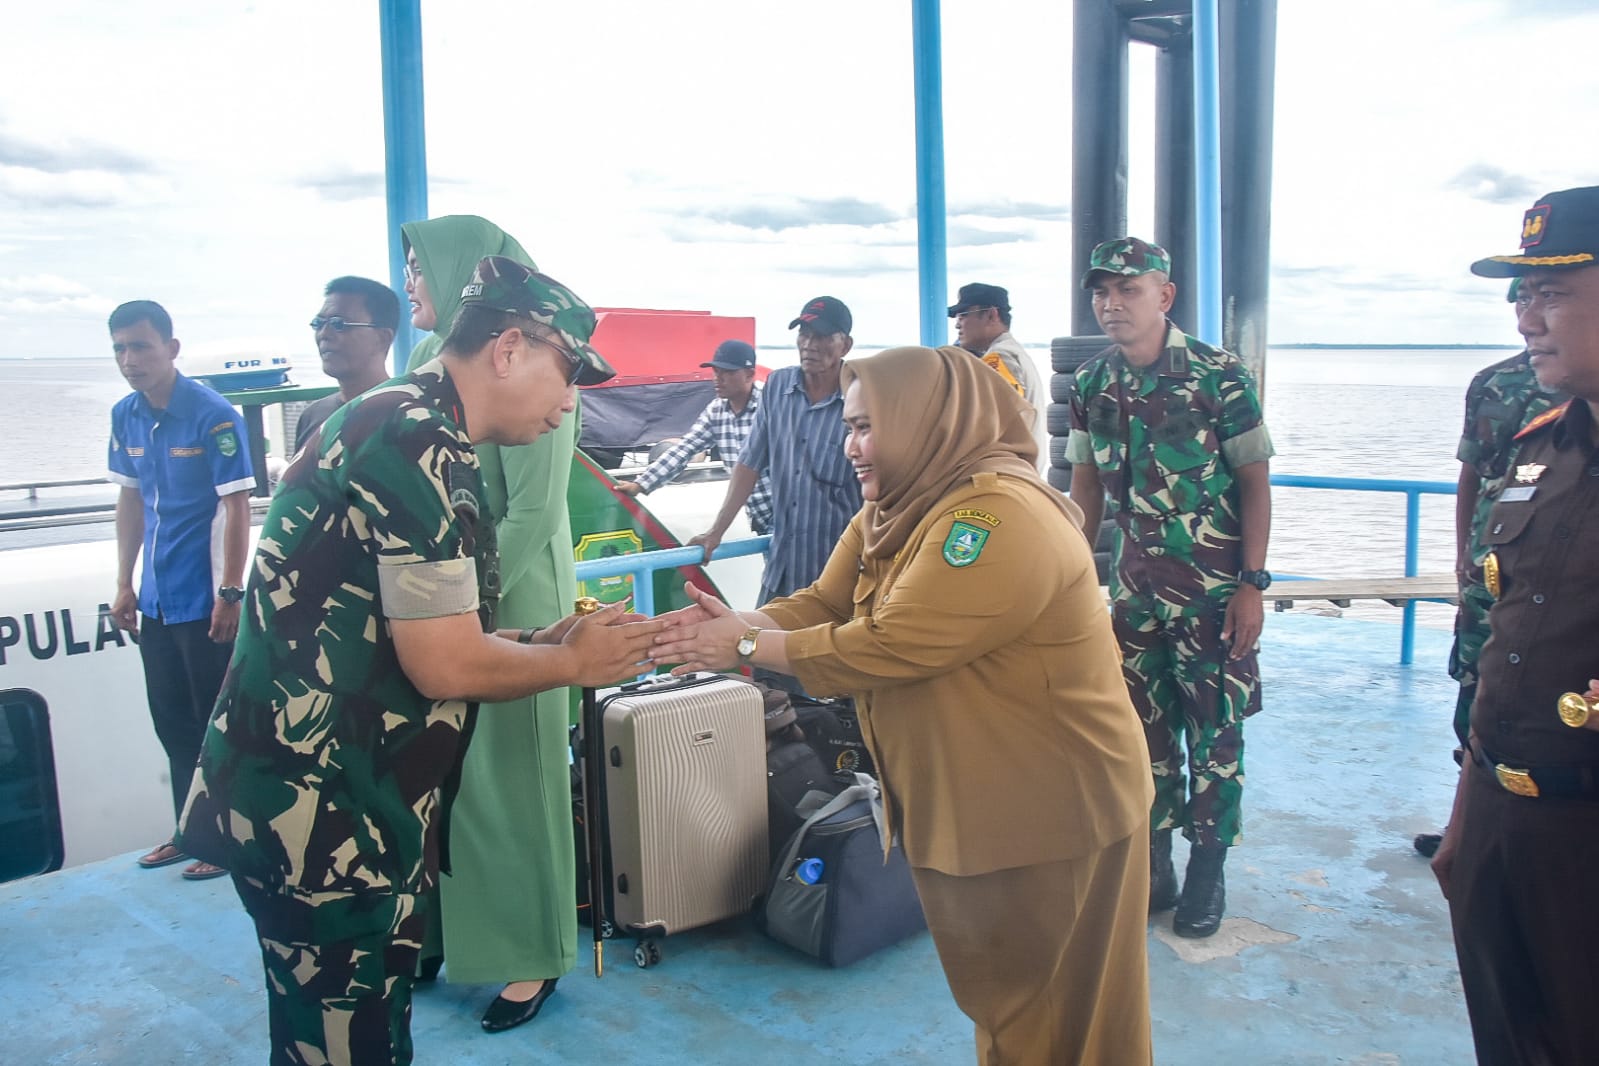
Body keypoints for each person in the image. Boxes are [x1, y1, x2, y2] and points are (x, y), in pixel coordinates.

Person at [176, 256, 667, 1066]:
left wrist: (537, 643)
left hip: (324, 798)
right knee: (346, 1045)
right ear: (509, 349)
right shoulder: (417, 439)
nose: (570, 403)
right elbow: (442, 666)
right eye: (567, 371)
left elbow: (405, 629)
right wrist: (573, 665)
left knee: (339, 1034)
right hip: (325, 812)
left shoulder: (404, 419)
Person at [653, 345, 1154, 1066]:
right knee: (1007, 1007)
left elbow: (895, 644)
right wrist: (734, 625)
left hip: (1052, 810)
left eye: (867, 427)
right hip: (970, 798)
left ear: (927, 422)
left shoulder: (997, 516)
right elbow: (822, 603)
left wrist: (740, 652)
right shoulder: (896, 506)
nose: (850, 445)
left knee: (1061, 1015)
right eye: (848, 426)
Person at [399, 215, 580, 1032]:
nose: (410, 280)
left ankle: (532, 954)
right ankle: (445, 937)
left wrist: (473, 611)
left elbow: (535, 510)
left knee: (515, 792)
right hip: (450, 606)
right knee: (449, 785)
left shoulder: (544, 368)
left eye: (417, 265)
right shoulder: (418, 371)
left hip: (514, 601)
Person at [1433, 184, 1599, 1065]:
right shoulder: (1539, 448)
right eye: (1523, 295)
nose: (1527, 319)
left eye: (1555, 293)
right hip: (1504, 821)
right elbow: (1505, 652)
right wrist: (1469, 820)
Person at [1067, 237, 1274, 939]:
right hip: (1132, 592)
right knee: (1137, 733)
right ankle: (1155, 866)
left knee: (1213, 732)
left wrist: (1251, 585)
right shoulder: (1091, 383)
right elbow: (1084, 486)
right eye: (1102, 291)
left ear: (1165, 295)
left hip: (1212, 592)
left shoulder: (1219, 376)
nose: (1111, 303)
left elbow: (1253, 483)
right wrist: (1070, 575)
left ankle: (1207, 873)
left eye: (1128, 289)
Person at [1413, 278, 1564, 859]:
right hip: (1489, 574)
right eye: (1521, 301)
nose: (1529, 315)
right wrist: (1461, 561)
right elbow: (1470, 476)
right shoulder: (1494, 384)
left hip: (1553, 577)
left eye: (1545, 299)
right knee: (1475, 700)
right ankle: (1467, 825)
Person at [107, 299, 253, 883]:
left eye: (140, 346)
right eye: (119, 348)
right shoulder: (126, 415)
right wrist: (124, 581)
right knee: (171, 720)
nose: (129, 360)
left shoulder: (213, 415)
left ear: (171, 347)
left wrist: (231, 591)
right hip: (157, 599)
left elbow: (237, 504)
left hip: (204, 597)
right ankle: (186, 832)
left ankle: (226, 840)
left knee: (213, 721)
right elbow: (130, 500)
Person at [690, 296, 863, 607]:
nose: (809, 344)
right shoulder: (778, 386)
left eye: (821, 336)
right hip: (783, 568)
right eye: (804, 334)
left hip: (841, 576)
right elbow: (749, 462)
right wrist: (715, 532)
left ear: (845, 345)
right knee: (758, 648)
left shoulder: (861, 396)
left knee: (822, 654)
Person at [615, 338, 773, 534]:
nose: (718, 378)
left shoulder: (770, 407)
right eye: (716, 372)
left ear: (749, 374)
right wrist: (640, 484)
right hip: (759, 517)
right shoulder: (717, 411)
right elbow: (684, 449)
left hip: (786, 513)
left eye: (728, 372)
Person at [293, 276, 400, 454]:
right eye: (318, 324)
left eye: (338, 324)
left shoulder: (406, 417)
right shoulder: (313, 417)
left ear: (382, 338)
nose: (324, 334)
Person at [947, 282, 1048, 464]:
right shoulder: (1012, 352)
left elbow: (1001, 425)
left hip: (1008, 474)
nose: (957, 325)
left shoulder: (1000, 357)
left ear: (992, 315)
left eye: (963, 315)